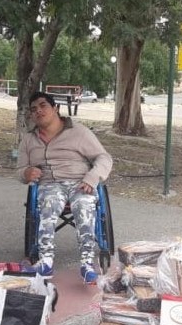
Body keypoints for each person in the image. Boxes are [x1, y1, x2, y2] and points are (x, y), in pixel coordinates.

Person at [17, 91, 113, 283]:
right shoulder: (28, 139)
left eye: (43, 106)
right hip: (50, 184)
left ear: (56, 108)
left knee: (84, 205)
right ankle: (46, 261)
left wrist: (92, 177)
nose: (38, 111)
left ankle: (87, 263)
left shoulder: (79, 132)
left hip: (80, 182)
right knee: (48, 203)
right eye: (33, 109)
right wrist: (26, 173)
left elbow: (104, 158)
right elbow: (20, 170)